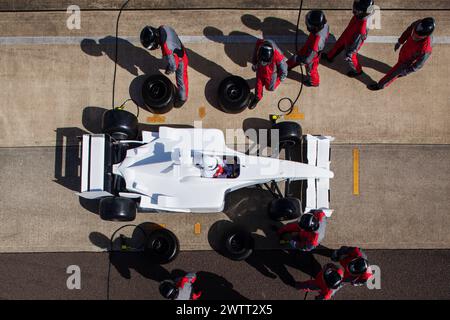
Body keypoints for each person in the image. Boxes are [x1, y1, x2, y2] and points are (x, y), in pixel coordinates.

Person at [368, 17, 435, 90]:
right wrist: (400, 41)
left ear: (426, 36)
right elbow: (408, 31)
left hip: (407, 61)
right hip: (405, 51)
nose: (414, 37)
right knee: (396, 70)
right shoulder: (417, 24)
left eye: (417, 37)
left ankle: (380, 85)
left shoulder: (425, 49)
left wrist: (405, 71)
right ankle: (398, 73)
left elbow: (418, 65)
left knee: (393, 74)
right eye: (414, 34)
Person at [322, 0, 375, 77]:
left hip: (353, 39)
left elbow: (358, 42)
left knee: (351, 56)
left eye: (357, 10)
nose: (354, 10)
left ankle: (358, 70)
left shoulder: (362, 27)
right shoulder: (361, 14)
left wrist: (350, 52)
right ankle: (330, 56)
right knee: (340, 43)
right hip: (350, 31)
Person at [140, 25, 188, 107]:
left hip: (181, 59)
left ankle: (182, 98)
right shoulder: (163, 27)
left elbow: (173, 66)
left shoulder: (167, 49)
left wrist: (169, 70)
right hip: (178, 45)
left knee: (181, 80)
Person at [287, 10, 330, 87]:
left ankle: (314, 82)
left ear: (316, 28)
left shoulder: (316, 43)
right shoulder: (324, 24)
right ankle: (288, 65)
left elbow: (308, 59)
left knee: (311, 70)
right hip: (312, 43)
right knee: (299, 55)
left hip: (313, 55)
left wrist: (302, 60)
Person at [249, 39, 288, 109]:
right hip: (260, 70)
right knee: (258, 84)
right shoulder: (259, 44)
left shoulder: (277, 55)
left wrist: (282, 77)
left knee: (270, 88)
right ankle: (257, 97)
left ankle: (277, 79)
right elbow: (255, 53)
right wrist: (254, 63)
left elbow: (284, 67)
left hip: (271, 73)